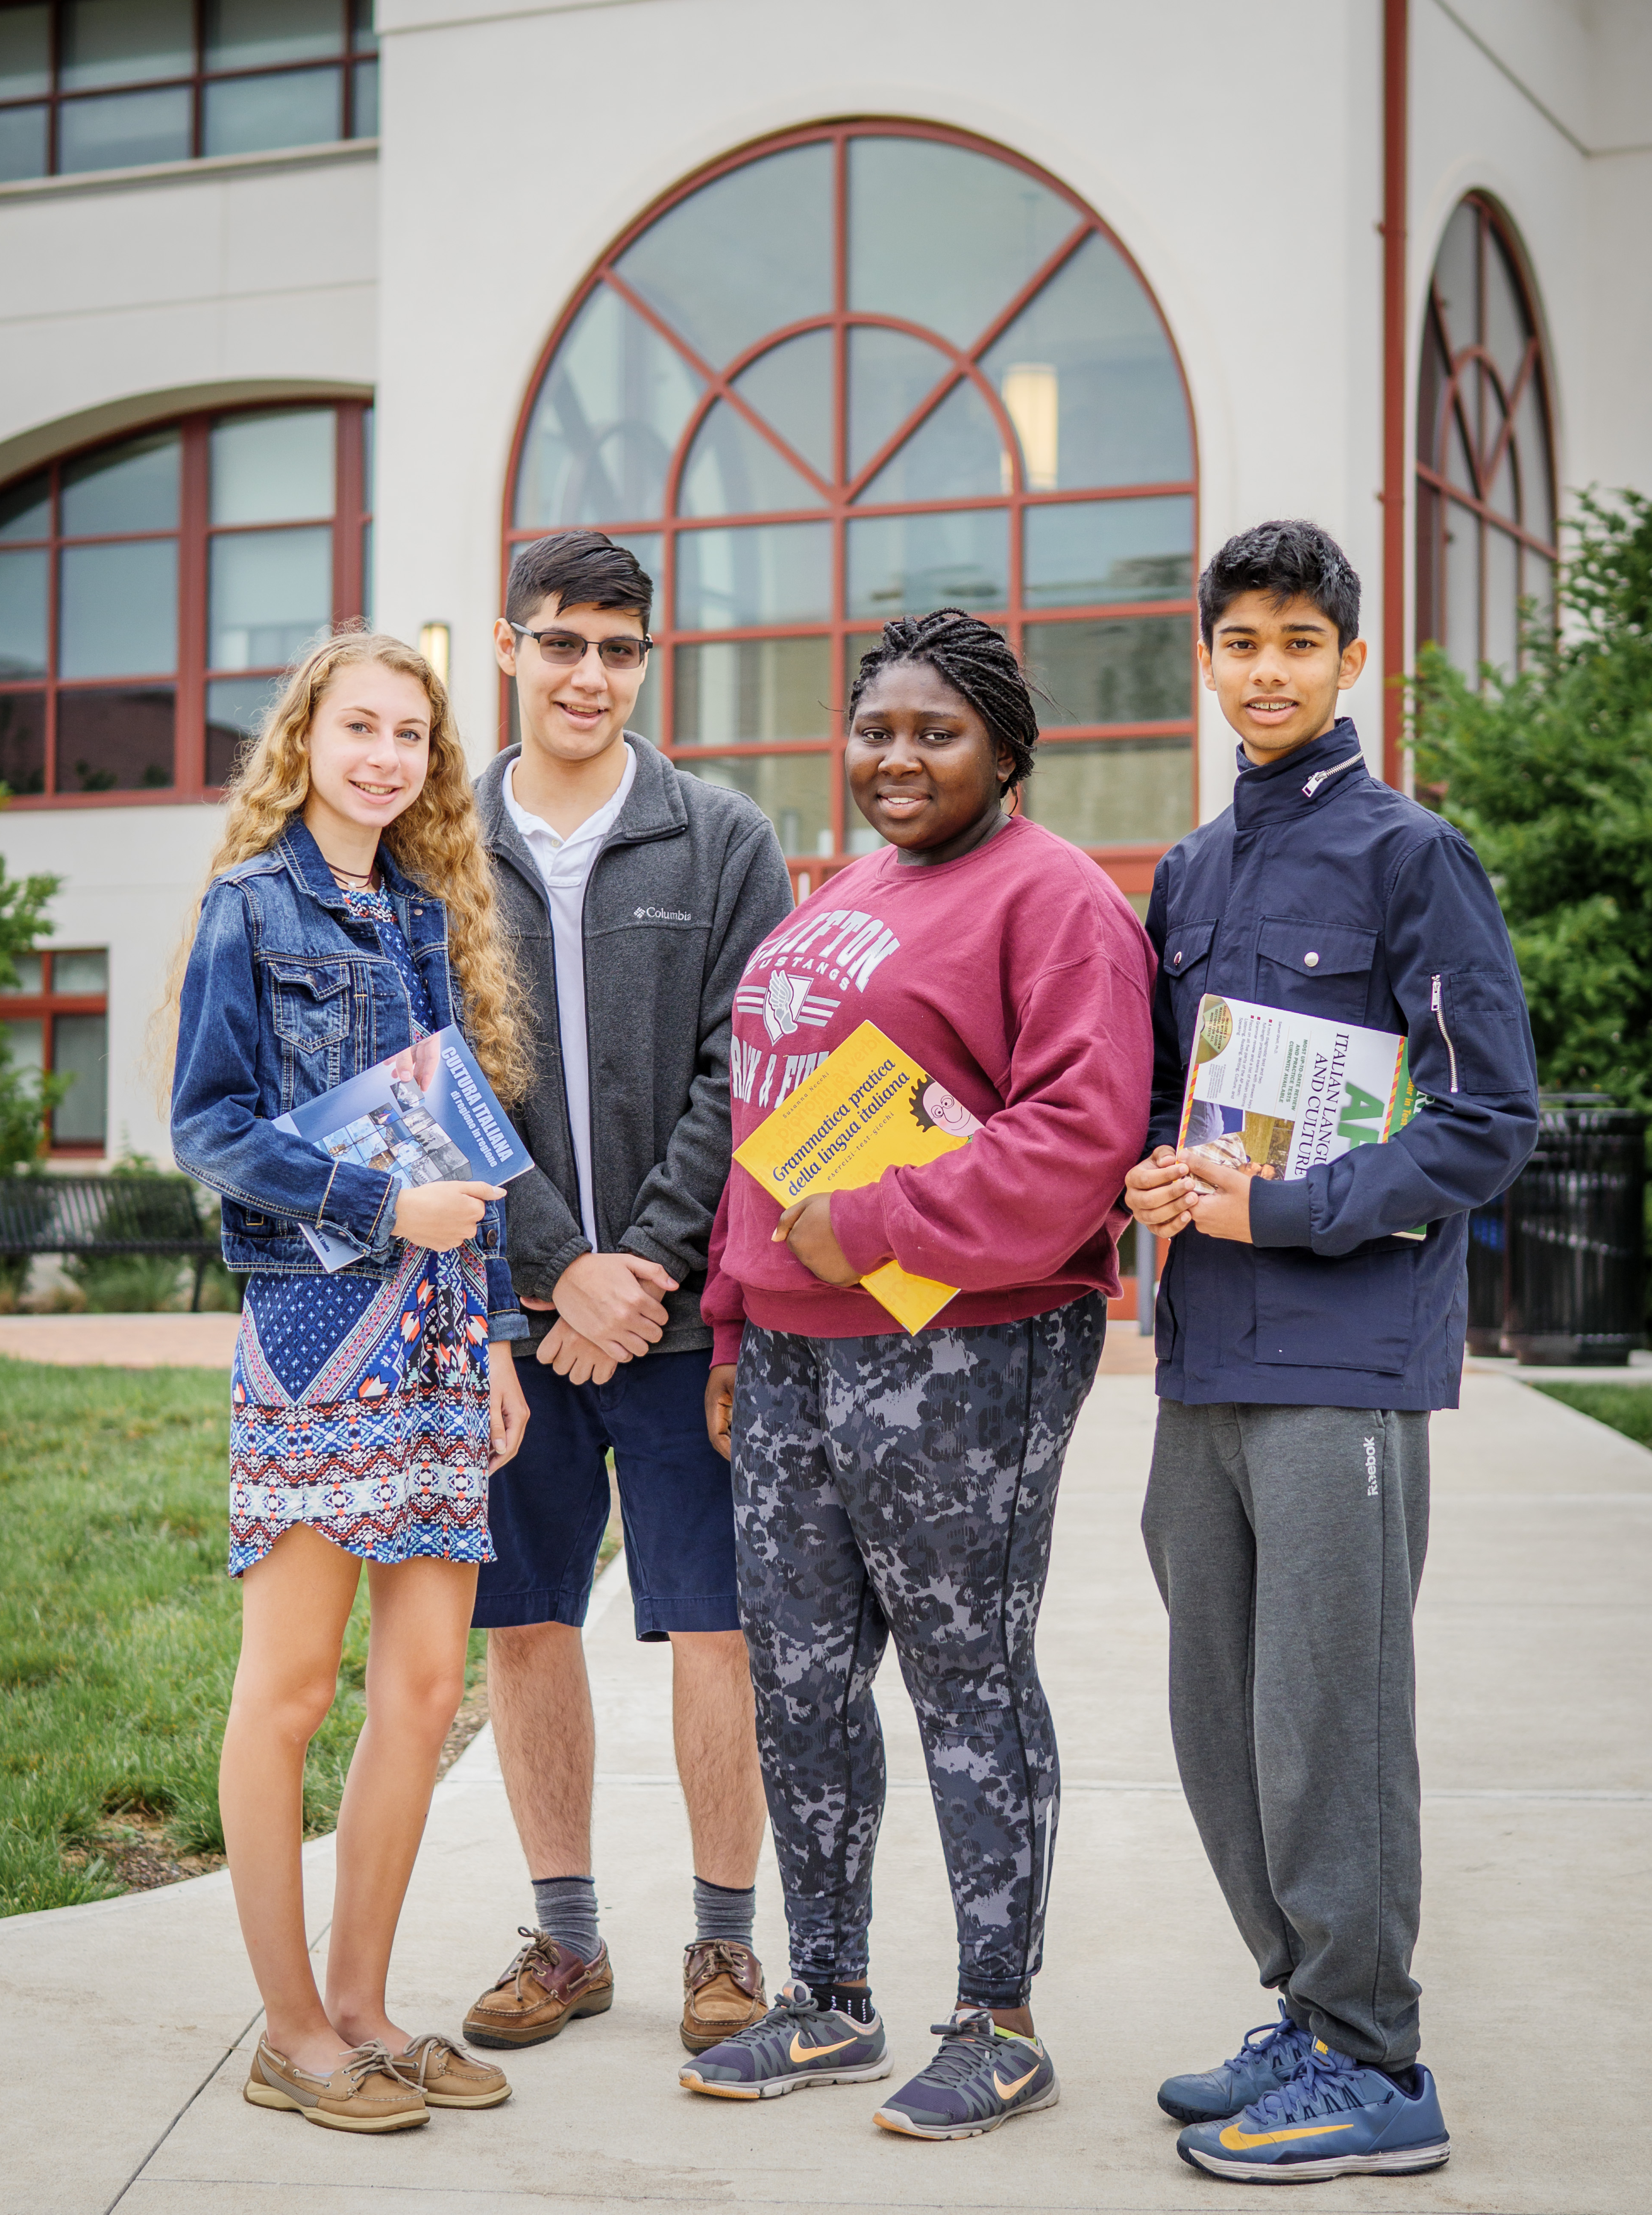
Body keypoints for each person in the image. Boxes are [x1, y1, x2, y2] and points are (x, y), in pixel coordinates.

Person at [682, 609, 1156, 2138]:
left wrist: (871, 1224)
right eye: (876, 729)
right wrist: (739, 1324)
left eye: (935, 732)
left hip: (971, 1345)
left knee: (966, 1681)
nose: (897, 758)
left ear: (1008, 749)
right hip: (801, 1358)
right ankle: (827, 1997)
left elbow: (1079, 1142)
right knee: (805, 1686)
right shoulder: (848, 893)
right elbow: (774, 1121)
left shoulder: (1059, 902)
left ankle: (998, 2018)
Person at [1126, 521, 1538, 2183]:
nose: (1272, 668)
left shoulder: (1411, 858)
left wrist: (1284, 1208)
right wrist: (1163, 1173)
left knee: (1329, 1723)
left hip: (1344, 1363)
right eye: (1244, 641)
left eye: (1304, 639)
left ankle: (1379, 2064)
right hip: (1205, 1359)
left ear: (1349, 661)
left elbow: (1488, 1122)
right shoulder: (1192, 873)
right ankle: (1303, 2011)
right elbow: (1179, 1104)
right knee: (1220, 1720)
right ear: (1207, 660)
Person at [169, 631, 534, 2134]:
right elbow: (211, 1126)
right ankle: (289, 2029)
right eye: (357, 727)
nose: (383, 757)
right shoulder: (249, 908)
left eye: (409, 735)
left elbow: (463, 1138)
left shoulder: (431, 918)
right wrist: (382, 1210)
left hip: (447, 1333)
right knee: (295, 1690)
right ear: (304, 740)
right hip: (322, 1332)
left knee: (429, 1687)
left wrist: (500, 1328)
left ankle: (370, 2007)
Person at [459, 532, 793, 2059]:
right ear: (510, 649)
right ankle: (567, 1938)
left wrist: (642, 1268)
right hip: (510, 1333)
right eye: (561, 643)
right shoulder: (437, 849)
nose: (588, 674)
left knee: (714, 1627)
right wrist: (553, 1270)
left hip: (681, 1318)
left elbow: (749, 1070)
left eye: (617, 648)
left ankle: (726, 1949)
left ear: (646, 663)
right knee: (525, 1626)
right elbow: (437, 1083)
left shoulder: (722, 838)